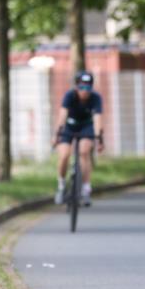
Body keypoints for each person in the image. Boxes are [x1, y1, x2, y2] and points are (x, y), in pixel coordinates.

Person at [54, 71, 104, 206]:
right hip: (69, 126)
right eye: (82, 87)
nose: (85, 91)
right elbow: (62, 116)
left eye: (88, 87)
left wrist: (99, 139)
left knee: (84, 151)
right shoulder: (69, 96)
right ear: (76, 87)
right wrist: (57, 135)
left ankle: (86, 188)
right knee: (64, 154)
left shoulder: (96, 98)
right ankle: (61, 185)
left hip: (86, 127)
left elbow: (98, 119)